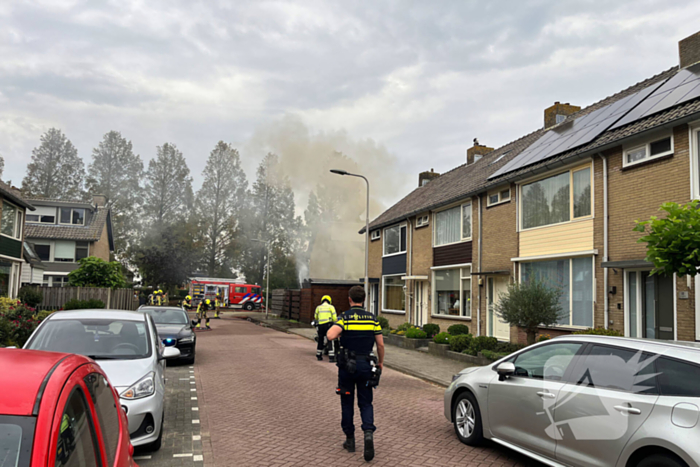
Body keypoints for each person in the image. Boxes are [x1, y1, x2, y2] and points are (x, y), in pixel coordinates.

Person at [327, 286, 385, 462]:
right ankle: (368, 433)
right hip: (366, 365)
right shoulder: (372, 319)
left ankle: (350, 440)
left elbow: (330, 335)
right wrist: (381, 362)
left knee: (347, 402)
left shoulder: (345, 317)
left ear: (350, 299)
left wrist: (340, 330)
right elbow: (380, 345)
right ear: (364, 299)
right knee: (366, 402)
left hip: (347, 367)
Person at [314, 295, 338, 362]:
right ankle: (331, 357)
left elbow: (315, 317)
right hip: (328, 325)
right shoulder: (331, 307)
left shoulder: (318, 307)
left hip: (320, 325)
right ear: (329, 301)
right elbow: (334, 318)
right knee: (330, 339)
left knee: (320, 340)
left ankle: (319, 355)